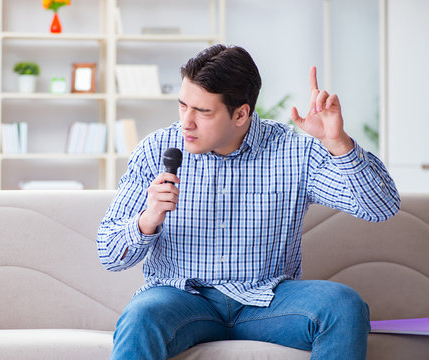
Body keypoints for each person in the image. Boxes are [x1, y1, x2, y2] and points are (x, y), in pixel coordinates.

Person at [97, 44, 400, 360]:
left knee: (344, 305)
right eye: (182, 105)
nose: (186, 121)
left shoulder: (293, 151)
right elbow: (109, 253)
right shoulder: (156, 150)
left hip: (268, 300)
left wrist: (338, 143)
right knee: (141, 316)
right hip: (182, 299)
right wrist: (149, 218)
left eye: (202, 111)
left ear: (241, 113)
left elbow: (381, 207)